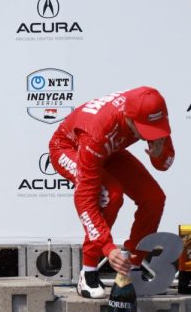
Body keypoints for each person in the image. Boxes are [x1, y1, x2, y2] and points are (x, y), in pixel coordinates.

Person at [49, 87, 175, 298]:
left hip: (110, 149)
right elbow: (85, 198)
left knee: (153, 198)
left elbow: (164, 164)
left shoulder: (151, 110)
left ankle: (131, 268)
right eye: (145, 130)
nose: (149, 136)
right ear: (129, 117)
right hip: (70, 147)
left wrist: (159, 153)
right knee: (110, 194)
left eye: (153, 130)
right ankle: (87, 273)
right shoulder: (96, 132)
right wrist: (107, 247)